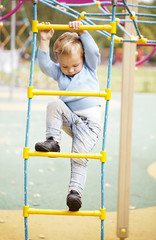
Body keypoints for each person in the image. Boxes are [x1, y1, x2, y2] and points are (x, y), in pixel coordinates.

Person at [35, 21, 101, 211]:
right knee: (54, 104)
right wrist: (44, 40)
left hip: (89, 127)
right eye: (65, 67)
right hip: (71, 120)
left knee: (79, 159)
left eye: (74, 65)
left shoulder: (89, 67)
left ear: (83, 59)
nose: (70, 70)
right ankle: (53, 140)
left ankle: (75, 193)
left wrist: (82, 32)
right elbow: (45, 65)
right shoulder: (60, 73)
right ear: (60, 64)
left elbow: (94, 52)